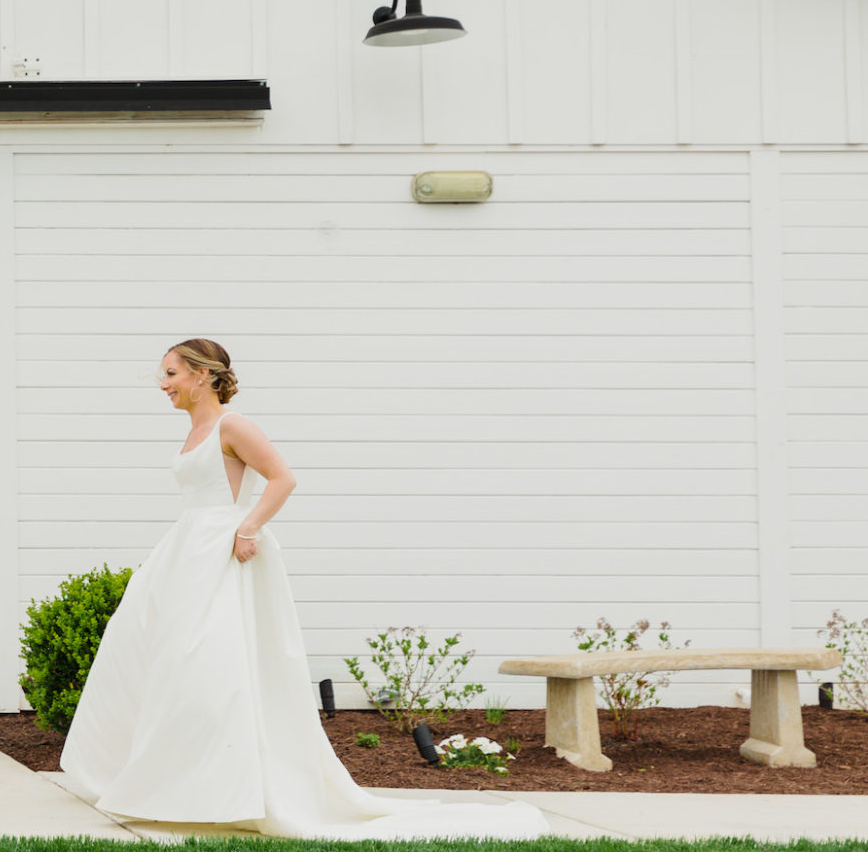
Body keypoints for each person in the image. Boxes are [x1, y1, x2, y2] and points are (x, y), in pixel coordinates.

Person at [59, 338, 547, 840]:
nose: (163, 384)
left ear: (203, 375)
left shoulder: (233, 424)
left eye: (170, 374)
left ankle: (229, 789)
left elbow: (282, 479)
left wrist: (246, 530)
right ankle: (173, 785)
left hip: (223, 552)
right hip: (185, 552)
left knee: (212, 669)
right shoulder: (194, 429)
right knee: (163, 664)